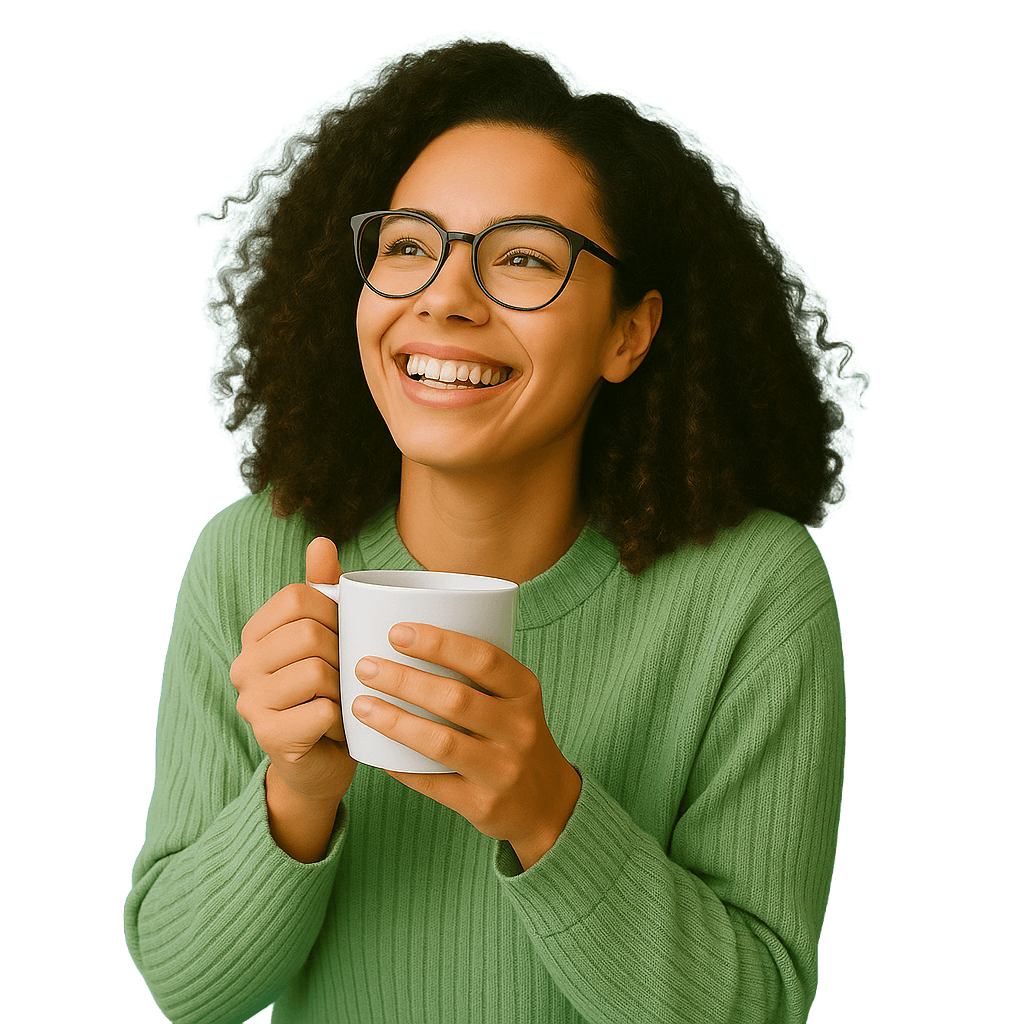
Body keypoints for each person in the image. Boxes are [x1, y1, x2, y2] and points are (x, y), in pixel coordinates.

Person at [124, 30, 870, 1024]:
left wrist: (546, 810)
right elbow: (186, 987)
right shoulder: (250, 561)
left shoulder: (750, 590)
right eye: (407, 246)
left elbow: (756, 1009)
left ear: (627, 333)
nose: (444, 295)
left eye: (522, 258)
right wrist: (294, 794)